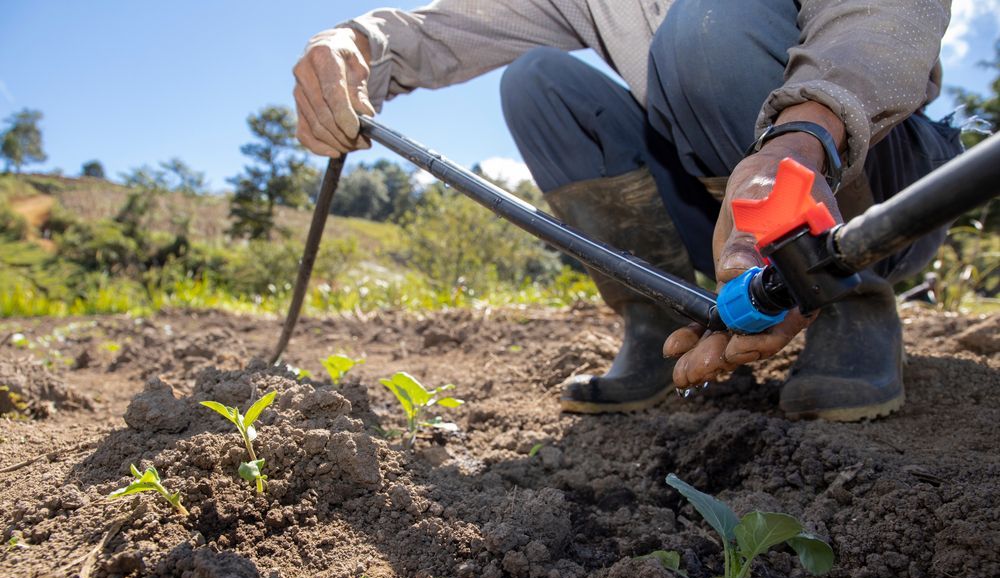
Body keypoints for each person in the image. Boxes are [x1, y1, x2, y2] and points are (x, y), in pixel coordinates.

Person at [292, 0, 962, 421]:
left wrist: (801, 136)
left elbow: (886, 15)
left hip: (878, 190)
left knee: (707, 30)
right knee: (538, 85)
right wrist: (361, 40)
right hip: (726, 211)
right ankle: (657, 315)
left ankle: (847, 297)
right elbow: (448, 29)